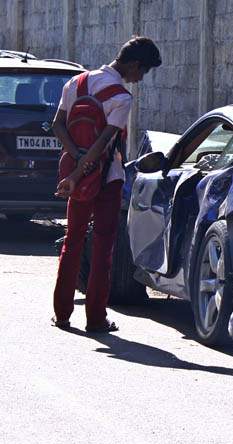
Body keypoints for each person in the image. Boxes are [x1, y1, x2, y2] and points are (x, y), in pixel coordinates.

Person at [51, 36, 161, 332]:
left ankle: (62, 314)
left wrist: (75, 162)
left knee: (72, 241)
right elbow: (103, 143)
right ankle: (96, 318)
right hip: (107, 179)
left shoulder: (76, 83)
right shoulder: (121, 98)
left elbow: (57, 125)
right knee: (103, 246)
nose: (140, 78)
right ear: (134, 65)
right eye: (143, 71)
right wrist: (81, 170)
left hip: (77, 177)